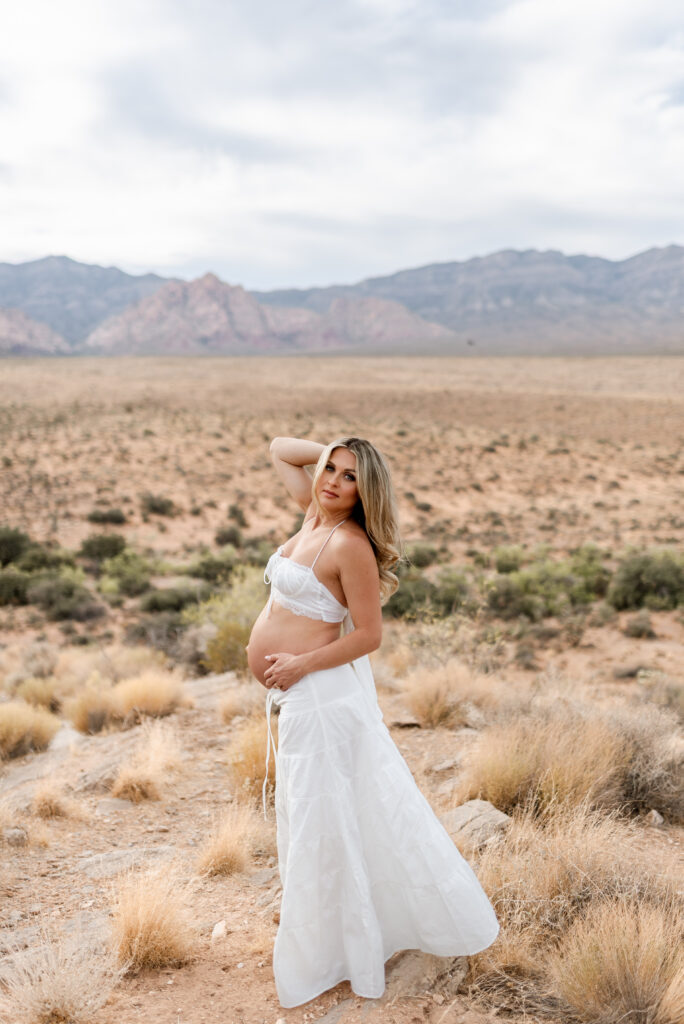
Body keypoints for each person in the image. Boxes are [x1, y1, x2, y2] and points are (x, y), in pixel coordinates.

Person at [246, 435, 499, 1009]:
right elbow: (280, 449)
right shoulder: (314, 514)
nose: (332, 480)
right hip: (302, 698)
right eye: (330, 469)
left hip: (321, 698)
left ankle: (343, 952)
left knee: (326, 819)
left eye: (349, 477)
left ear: (368, 492)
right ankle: (334, 939)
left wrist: (301, 664)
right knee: (315, 817)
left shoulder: (350, 544)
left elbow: (368, 635)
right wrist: (345, 448)